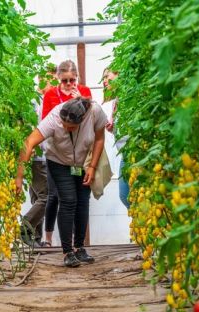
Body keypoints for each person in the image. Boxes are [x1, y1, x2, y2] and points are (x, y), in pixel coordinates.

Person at [15, 97, 107, 268]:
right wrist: (19, 176)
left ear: (82, 119)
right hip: (58, 162)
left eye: (70, 127)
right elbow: (29, 143)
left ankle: (79, 247)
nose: (65, 128)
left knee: (82, 202)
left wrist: (92, 167)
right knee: (68, 200)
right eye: (64, 124)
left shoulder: (95, 112)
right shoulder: (54, 118)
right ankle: (67, 252)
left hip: (82, 163)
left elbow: (100, 138)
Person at [41, 60, 92, 247]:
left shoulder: (84, 92)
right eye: (65, 81)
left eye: (72, 80)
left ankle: (76, 243)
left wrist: (81, 101)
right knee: (55, 195)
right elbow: (45, 122)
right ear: (58, 78)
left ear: (77, 78)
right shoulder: (50, 95)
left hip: (79, 157)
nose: (69, 84)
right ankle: (49, 238)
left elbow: (91, 121)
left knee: (79, 199)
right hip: (58, 154)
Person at [20, 65, 57, 247]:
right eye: (53, 79)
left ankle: (35, 239)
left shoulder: (42, 100)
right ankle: (25, 227)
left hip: (40, 155)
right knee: (47, 196)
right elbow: (28, 125)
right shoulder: (35, 102)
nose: (54, 84)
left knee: (37, 196)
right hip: (37, 155)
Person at [101, 68, 130, 209]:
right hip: (125, 154)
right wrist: (113, 129)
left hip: (135, 154)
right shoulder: (115, 102)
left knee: (128, 196)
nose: (105, 81)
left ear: (119, 75)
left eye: (107, 77)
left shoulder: (129, 97)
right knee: (125, 196)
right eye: (104, 78)